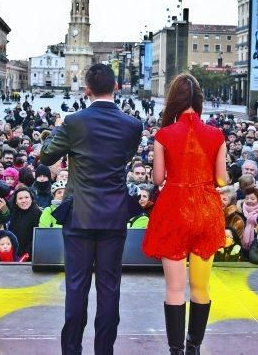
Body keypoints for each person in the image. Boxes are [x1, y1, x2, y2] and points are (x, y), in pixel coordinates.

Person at [39, 64, 142, 355]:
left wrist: (60, 128)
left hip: (80, 215)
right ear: (116, 88)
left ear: (87, 90)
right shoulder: (133, 125)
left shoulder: (74, 122)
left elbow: (46, 155)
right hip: (114, 215)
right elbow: (125, 157)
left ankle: (71, 350)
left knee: (76, 286)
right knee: (109, 288)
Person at [141, 73, 227, 355]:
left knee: (175, 290)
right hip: (205, 210)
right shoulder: (216, 135)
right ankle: (194, 347)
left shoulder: (164, 135)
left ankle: (176, 350)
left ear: (173, 100)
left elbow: (157, 179)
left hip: (174, 210)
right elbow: (223, 180)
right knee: (201, 288)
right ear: (199, 100)